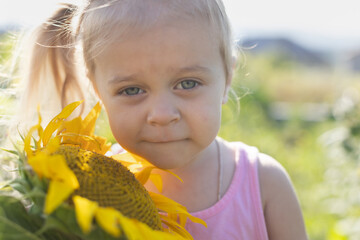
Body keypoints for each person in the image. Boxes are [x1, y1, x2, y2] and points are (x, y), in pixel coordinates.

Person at [19, 0, 308, 239]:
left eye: (188, 83)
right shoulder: (85, 187)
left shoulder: (263, 185)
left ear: (227, 77)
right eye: (131, 90)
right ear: (98, 92)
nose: (161, 115)